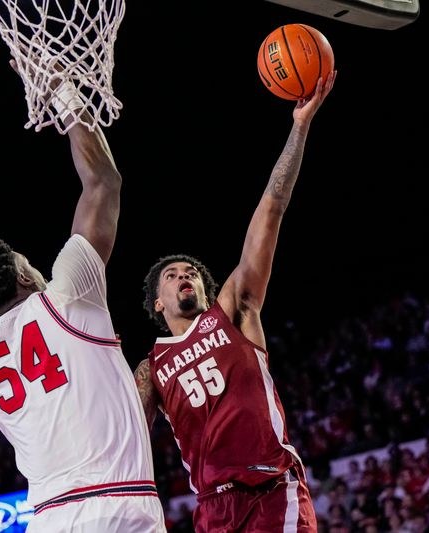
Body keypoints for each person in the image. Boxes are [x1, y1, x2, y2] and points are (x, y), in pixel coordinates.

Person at [0, 72, 164, 531]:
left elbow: (22, 410)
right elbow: (103, 182)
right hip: (116, 506)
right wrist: (62, 91)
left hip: (47, 517)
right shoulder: (65, 293)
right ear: (23, 273)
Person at [134, 71, 336, 532]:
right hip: (210, 509)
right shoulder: (150, 367)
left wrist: (299, 127)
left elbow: (273, 205)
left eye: (191, 273)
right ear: (158, 304)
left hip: (269, 490)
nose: (184, 275)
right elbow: (126, 437)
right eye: (172, 274)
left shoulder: (231, 313)